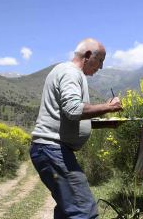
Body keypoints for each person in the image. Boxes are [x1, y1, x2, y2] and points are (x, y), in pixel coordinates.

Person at [30, 38, 122, 219]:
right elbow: (73, 110)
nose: (101, 67)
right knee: (83, 210)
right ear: (88, 56)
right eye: (100, 61)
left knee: (67, 209)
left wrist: (102, 122)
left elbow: (66, 116)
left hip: (50, 150)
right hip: (53, 150)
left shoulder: (66, 72)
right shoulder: (71, 73)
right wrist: (109, 107)